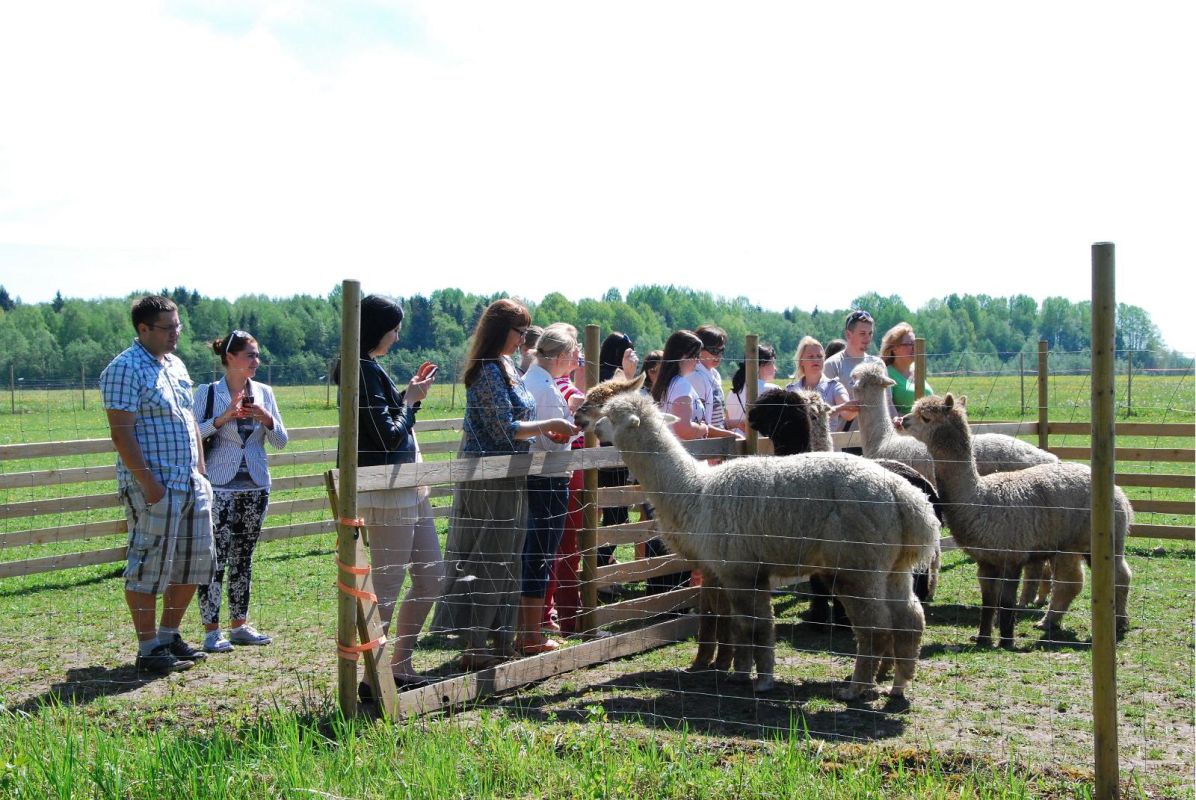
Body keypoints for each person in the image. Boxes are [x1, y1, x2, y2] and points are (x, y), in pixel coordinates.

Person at [432, 299, 578, 670]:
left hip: (512, 475)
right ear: (501, 331)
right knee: (487, 558)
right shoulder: (486, 371)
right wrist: (549, 427)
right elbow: (504, 428)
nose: (523, 339)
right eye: (519, 331)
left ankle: (501, 640)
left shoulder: (508, 367)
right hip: (488, 476)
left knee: (510, 558)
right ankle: (475, 644)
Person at [100, 295, 216, 674]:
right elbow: (122, 433)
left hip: (189, 480)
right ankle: (148, 647)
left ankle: (169, 635)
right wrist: (148, 484)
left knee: (194, 562)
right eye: (167, 328)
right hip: (155, 485)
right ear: (143, 329)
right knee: (149, 564)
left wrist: (200, 471)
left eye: (177, 326)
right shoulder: (124, 368)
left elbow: (188, 419)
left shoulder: (176, 365)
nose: (175, 334)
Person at [348, 295, 441, 693]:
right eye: (394, 328)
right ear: (376, 328)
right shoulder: (364, 372)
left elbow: (390, 424)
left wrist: (407, 398)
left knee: (432, 577)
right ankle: (374, 676)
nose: (398, 336)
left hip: (409, 488)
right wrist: (410, 402)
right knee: (386, 586)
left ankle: (398, 664)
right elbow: (387, 437)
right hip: (388, 492)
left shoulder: (371, 369)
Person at [193, 330, 288, 653]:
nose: (256, 361)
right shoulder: (207, 393)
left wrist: (268, 419)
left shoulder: (265, 392)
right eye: (250, 355)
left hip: (256, 486)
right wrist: (223, 418)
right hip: (219, 487)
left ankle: (239, 625)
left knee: (243, 558)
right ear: (230, 358)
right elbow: (194, 437)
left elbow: (281, 442)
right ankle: (210, 631)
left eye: (257, 355)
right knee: (214, 559)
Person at [518, 324, 582, 653]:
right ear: (559, 356)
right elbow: (551, 441)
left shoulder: (537, 380)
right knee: (540, 553)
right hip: (548, 477)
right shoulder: (543, 387)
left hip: (543, 476)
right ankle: (530, 635)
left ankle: (528, 630)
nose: (577, 358)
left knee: (537, 552)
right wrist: (572, 428)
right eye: (573, 354)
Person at [596, 332, 640, 572]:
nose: (634, 355)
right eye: (628, 351)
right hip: (608, 456)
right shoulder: (607, 380)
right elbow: (623, 408)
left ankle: (601, 566)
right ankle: (598, 568)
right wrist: (630, 376)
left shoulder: (612, 376)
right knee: (616, 516)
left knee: (617, 515)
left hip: (618, 456)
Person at [652, 330, 737, 441]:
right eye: (696, 356)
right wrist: (704, 428)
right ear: (683, 356)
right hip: (684, 453)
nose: (698, 362)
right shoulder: (681, 385)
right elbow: (684, 430)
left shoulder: (668, 382)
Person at [786, 336, 857, 435]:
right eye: (811, 356)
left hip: (828, 448)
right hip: (799, 448)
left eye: (819, 356)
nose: (816, 360)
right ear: (801, 361)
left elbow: (848, 414)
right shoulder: (791, 390)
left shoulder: (834, 386)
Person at [880, 321, 932, 420]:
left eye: (915, 343)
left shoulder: (918, 369)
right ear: (894, 348)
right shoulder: (886, 374)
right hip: (903, 430)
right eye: (909, 344)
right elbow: (887, 410)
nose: (914, 348)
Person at [725, 344, 781, 433]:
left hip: (735, 444)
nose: (775, 368)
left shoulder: (732, 393)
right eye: (772, 363)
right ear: (760, 365)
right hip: (760, 444)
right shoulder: (773, 391)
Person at [688, 325, 729, 428]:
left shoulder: (715, 374)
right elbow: (699, 421)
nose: (719, 355)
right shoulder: (695, 376)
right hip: (706, 439)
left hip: (716, 434)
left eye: (721, 350)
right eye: (714, 351)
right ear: (699, 349)